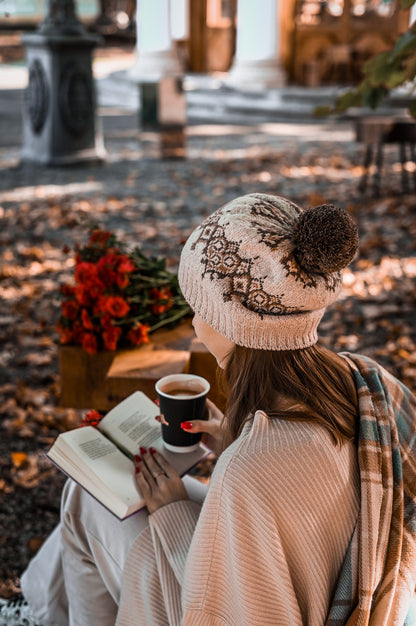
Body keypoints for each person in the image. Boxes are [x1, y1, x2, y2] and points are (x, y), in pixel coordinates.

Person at [17, 193, 416, 625]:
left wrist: (171, 512)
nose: (192, 320)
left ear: (230, 320)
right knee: (91, 497)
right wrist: (234, 438)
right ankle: (41, 609)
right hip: (326, 581)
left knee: (84, 498)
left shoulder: (248, 472)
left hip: (237, 601)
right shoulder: (366, 381)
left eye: (197, 305)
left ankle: (39, 611)